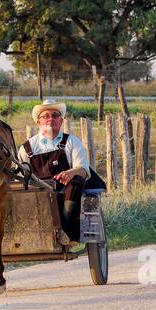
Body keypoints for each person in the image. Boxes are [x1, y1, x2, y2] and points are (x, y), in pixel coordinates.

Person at [16, 100, 102, 240]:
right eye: (46, 116)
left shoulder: (72, 142)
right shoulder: (27, 148)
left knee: (77, 180)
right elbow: (19, 177)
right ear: (38, 122)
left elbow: (84, 170)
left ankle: (70, 232)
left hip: (68, 192)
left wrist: (71, 172)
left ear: (61, 120)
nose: (51, 119)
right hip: (39, 195)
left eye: (55, 115)